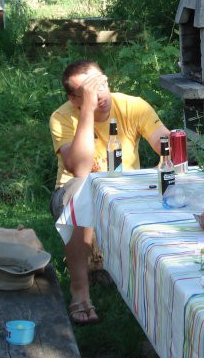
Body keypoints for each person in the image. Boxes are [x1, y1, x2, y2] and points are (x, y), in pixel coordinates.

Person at [49, 59, 170, 324]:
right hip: (72, 192)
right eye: (90, 91)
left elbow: (166, 144)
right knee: (84, 189)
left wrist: (170, 148)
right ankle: (80, 292)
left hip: (126, 189)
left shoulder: (131, 105)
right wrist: (87, 113)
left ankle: (160, 286)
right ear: (74, 98)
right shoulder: (62, 117)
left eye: (101, 84)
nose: (100, 94)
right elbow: (79, 168)